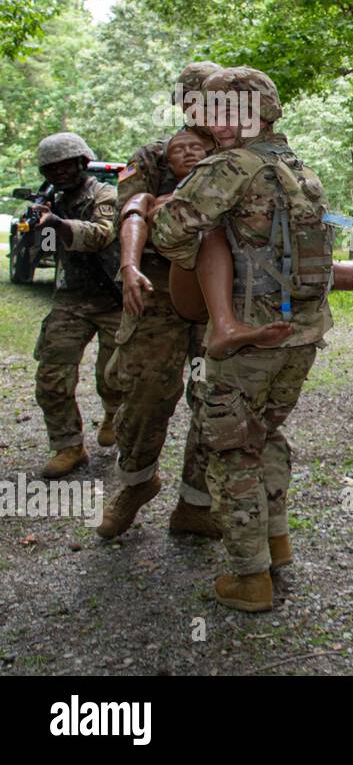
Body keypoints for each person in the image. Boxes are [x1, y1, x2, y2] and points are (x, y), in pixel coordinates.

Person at [152, 66, 333, 612]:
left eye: (226, 111)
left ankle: (249, 578)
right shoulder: (299, 169)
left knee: (229, 450)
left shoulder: (230, 166)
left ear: (254, 115)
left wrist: (189, 240)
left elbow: (170, 232)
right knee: (265, 435)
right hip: (301, 335)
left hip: (248, 339)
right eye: (210, 111)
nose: (214, 121)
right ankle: (277, 547)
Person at [99, 60, 225, 539]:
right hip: (158, 291)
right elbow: (132, 209)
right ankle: (135, 481)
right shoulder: (155, 155)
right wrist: (129, 265)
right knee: (147, 391)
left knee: (216, 400)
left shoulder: (245, 156)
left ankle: (195, 503)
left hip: (220, 300)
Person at [30, 132, 125, 479]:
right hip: (71, 299)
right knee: (52, 377)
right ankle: (69, 446)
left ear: (82, 163)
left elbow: (103, 233)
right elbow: (50, 251)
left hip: (113, 298)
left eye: (67, 165)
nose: (60, 173)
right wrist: (38, 229)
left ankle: (114, 415)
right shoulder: (51, 200)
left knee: (114, 376)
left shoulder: (104, 194)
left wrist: (58, 223)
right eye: (52, 169)